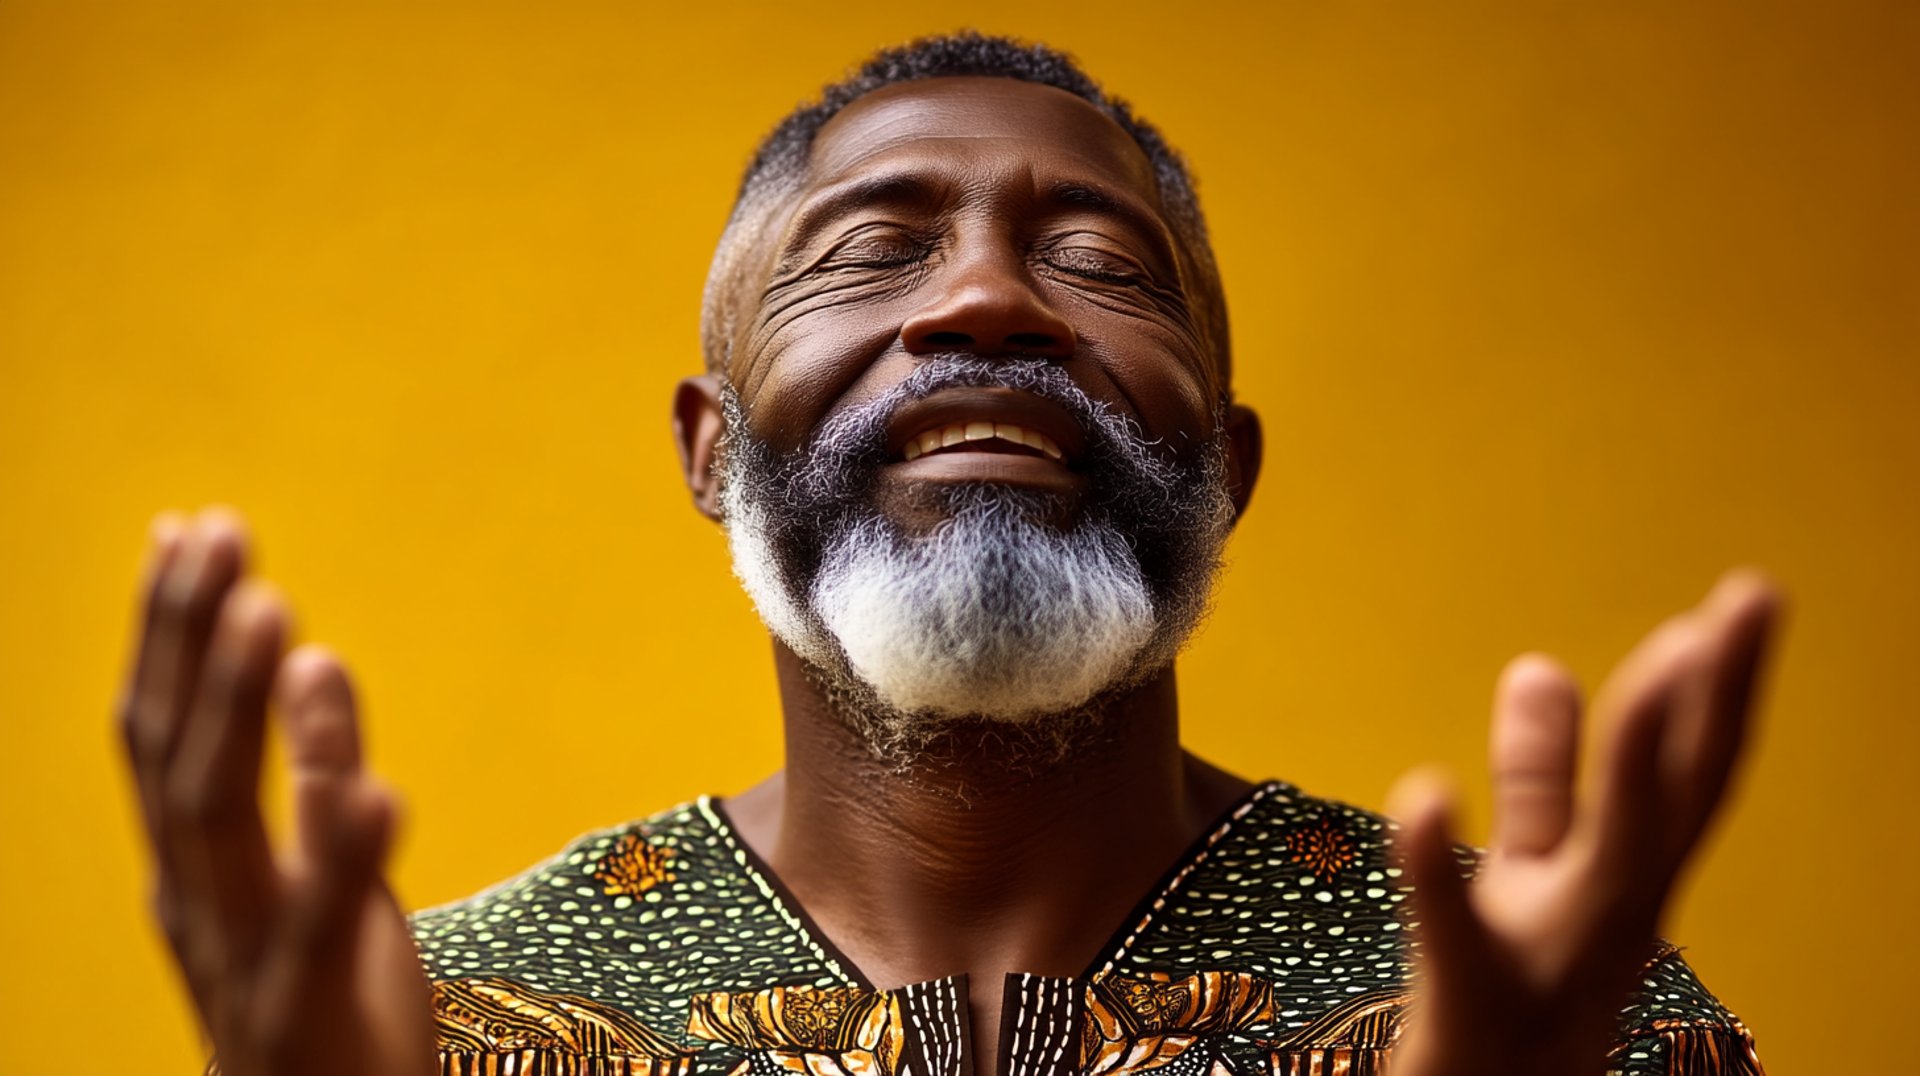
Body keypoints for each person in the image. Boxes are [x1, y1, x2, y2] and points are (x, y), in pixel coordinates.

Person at [118, 33, 1779, 1076]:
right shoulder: (439, 1026)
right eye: (872, 250)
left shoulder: (1560, 1009)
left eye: (1098, 263)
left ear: (1227, 463)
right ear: (712, 448)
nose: (986, 302)